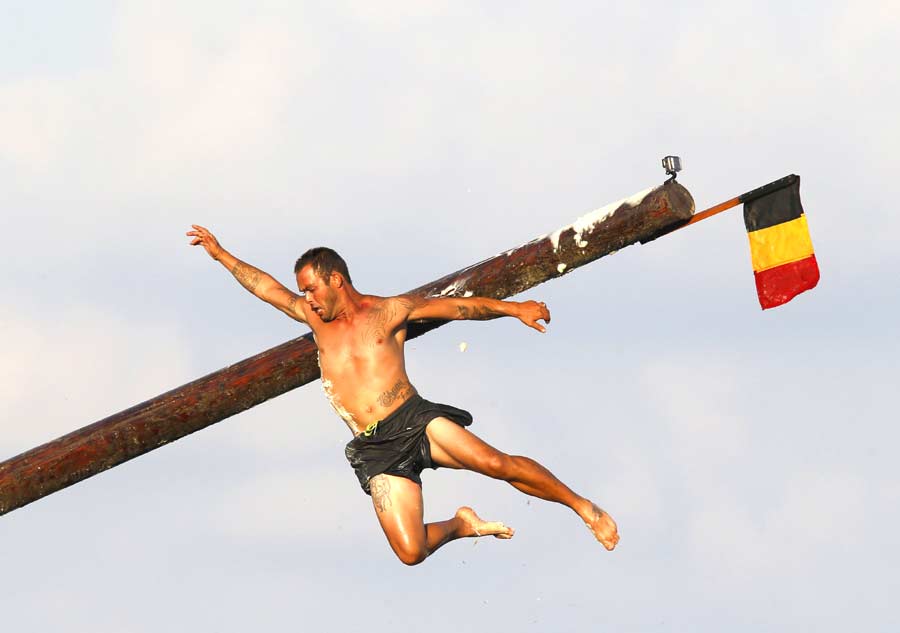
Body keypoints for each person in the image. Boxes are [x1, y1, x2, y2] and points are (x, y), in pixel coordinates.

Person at [187, 224, 619, 565]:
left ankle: (582, 507)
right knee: (410, 552)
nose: (307, 300)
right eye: (303, 292)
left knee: (495, 463)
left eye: (312, 289)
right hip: (375, 448)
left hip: (412, 419)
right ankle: (461, 525)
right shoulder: (314, 320)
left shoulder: (388, 311)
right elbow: (265, 288)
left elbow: (459, 308)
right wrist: (221, 254)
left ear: (335, 279)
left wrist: (515, 309)